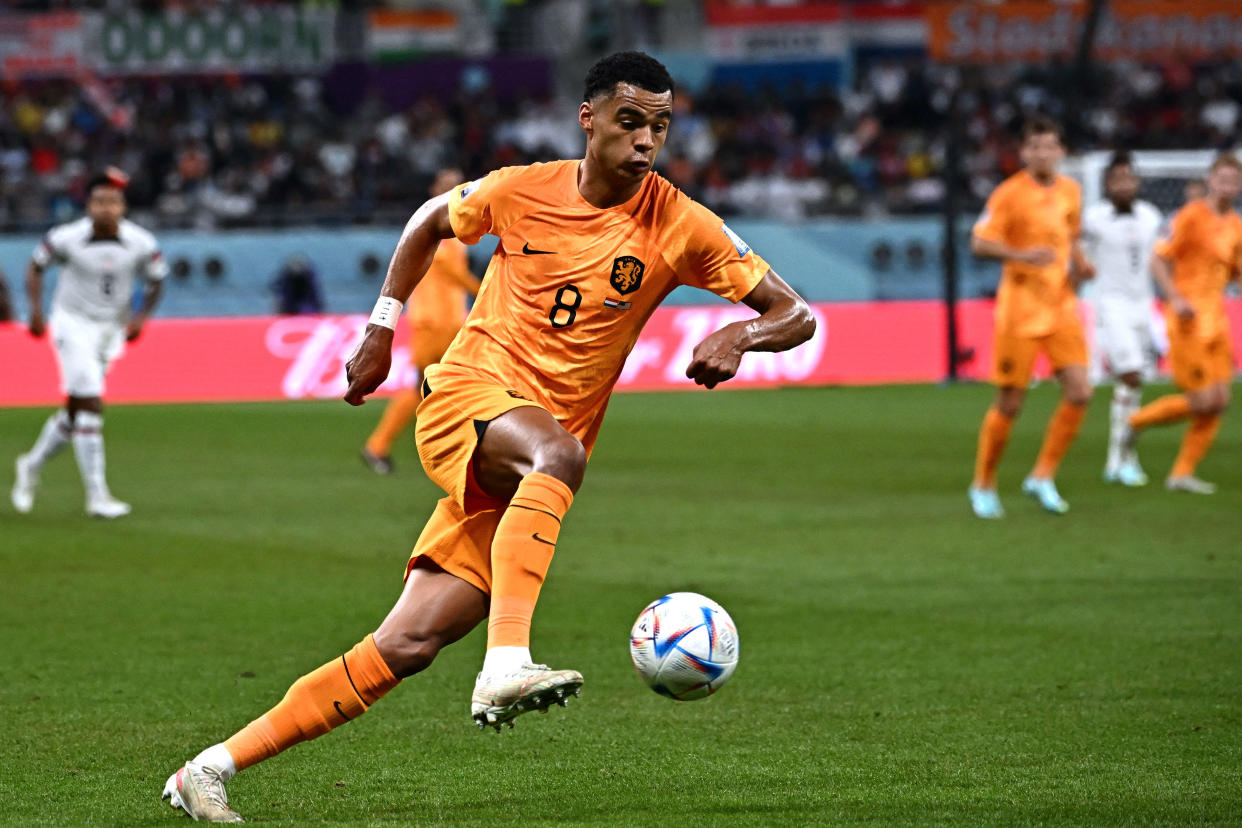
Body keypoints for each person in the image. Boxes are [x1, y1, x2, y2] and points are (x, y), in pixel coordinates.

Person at [161, 52, 815, 823]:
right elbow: (429, 220)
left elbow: (795, 313)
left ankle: (206, 770)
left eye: (661, 126)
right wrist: (381, 328)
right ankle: (506, 662)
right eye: (630, 121)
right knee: (559, 453)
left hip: (520, 472)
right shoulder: (523, 187)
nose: (645, 141)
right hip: (468, 400)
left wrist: (742, 336)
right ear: (590, 119)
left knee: (402, 647)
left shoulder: (681, 224)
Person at [10, 168, 166, 519]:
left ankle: (31, 464)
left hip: (110, 329)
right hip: (72, 323)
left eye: (112, 202)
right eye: (99, 202)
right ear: (88, 206)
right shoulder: (65, 237)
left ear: (123, 206)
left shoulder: (142, 243)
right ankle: (97, 495)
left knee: (75, 408)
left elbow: (157, 280)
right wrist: (34, 312)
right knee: (91, 404)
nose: (106, 209)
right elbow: (36, 267)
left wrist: (141, 318)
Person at [967, 116, 1095, 518]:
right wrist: (1021, 255)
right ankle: (984, 483)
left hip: (1061, 307)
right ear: (1024, 152)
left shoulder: (1071, 191)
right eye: (1035, 146)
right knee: (1010, 403)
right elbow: (979, 243)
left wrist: (1080, 262)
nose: (1043, 153)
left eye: (1050, 145)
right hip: (1019, 311)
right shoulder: (1009, 194)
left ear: (1061, 151)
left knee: (1080, 392)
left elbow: (1069, 235)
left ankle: (1042, 476)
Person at [1124, 154, 1242, 494]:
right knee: (1203, 400)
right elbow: (1158, 259)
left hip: (1216, 322)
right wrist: (1175, 297)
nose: (1228, 186)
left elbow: (1234, 270)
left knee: (1220, 400)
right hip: (1188, 320)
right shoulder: (1190, 217)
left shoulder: (1234, 223)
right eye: (1222, 179)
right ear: (1210, 181)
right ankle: (1135, 422)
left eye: (1234, 181)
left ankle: (1182, 473)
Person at [361, 167, 480, 475]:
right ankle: (378, 445)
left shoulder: (455, 227)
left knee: (448, 386)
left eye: (459, 185)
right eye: (448, 185)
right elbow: (447, 270)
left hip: (449, 321)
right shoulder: (434, 225)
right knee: (428, 386)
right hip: (435, 322)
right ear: (434, 189)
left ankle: (459, 451)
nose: (455, 190)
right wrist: (483, 291)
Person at [1081, 153, 1163, 486]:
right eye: (1117, 179)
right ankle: (1121, 459)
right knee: (1129, 375)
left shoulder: (1150, 217)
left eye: (1128, 178)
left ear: (1136, 182)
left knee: (1135, 383)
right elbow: (1077, 251)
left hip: (1143, 305)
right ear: (1107, 184)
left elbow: (1157, 258)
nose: (1123, 185)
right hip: (1111, 305)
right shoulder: (1093, 218)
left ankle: (1120, 460)